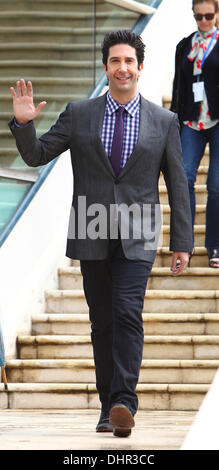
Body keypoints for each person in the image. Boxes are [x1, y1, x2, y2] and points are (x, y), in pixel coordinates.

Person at [9, 30, 193, 438]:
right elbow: (37, 155)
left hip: (138, 235)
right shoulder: (80, 113)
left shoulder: (164, 122)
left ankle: (124, 401)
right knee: (102, 323)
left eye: (130, 61)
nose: (122, 68)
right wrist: (23, 125)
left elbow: (179, 183)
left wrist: (183, 241)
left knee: (127, 313)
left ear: (140, 68)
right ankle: (108, 405)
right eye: (115, 61)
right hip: (92, 230)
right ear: (106, 66)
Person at [171, 0, 219, 267]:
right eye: (198, 16)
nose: (203, 21)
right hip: (191, 121)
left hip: (217, 120)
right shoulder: (184, 45)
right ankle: (184, 245)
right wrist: (173, 118)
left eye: (208, 16)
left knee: (216, 186)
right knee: (184, 178)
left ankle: (214, 246)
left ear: (216, 14)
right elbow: (178, 85)